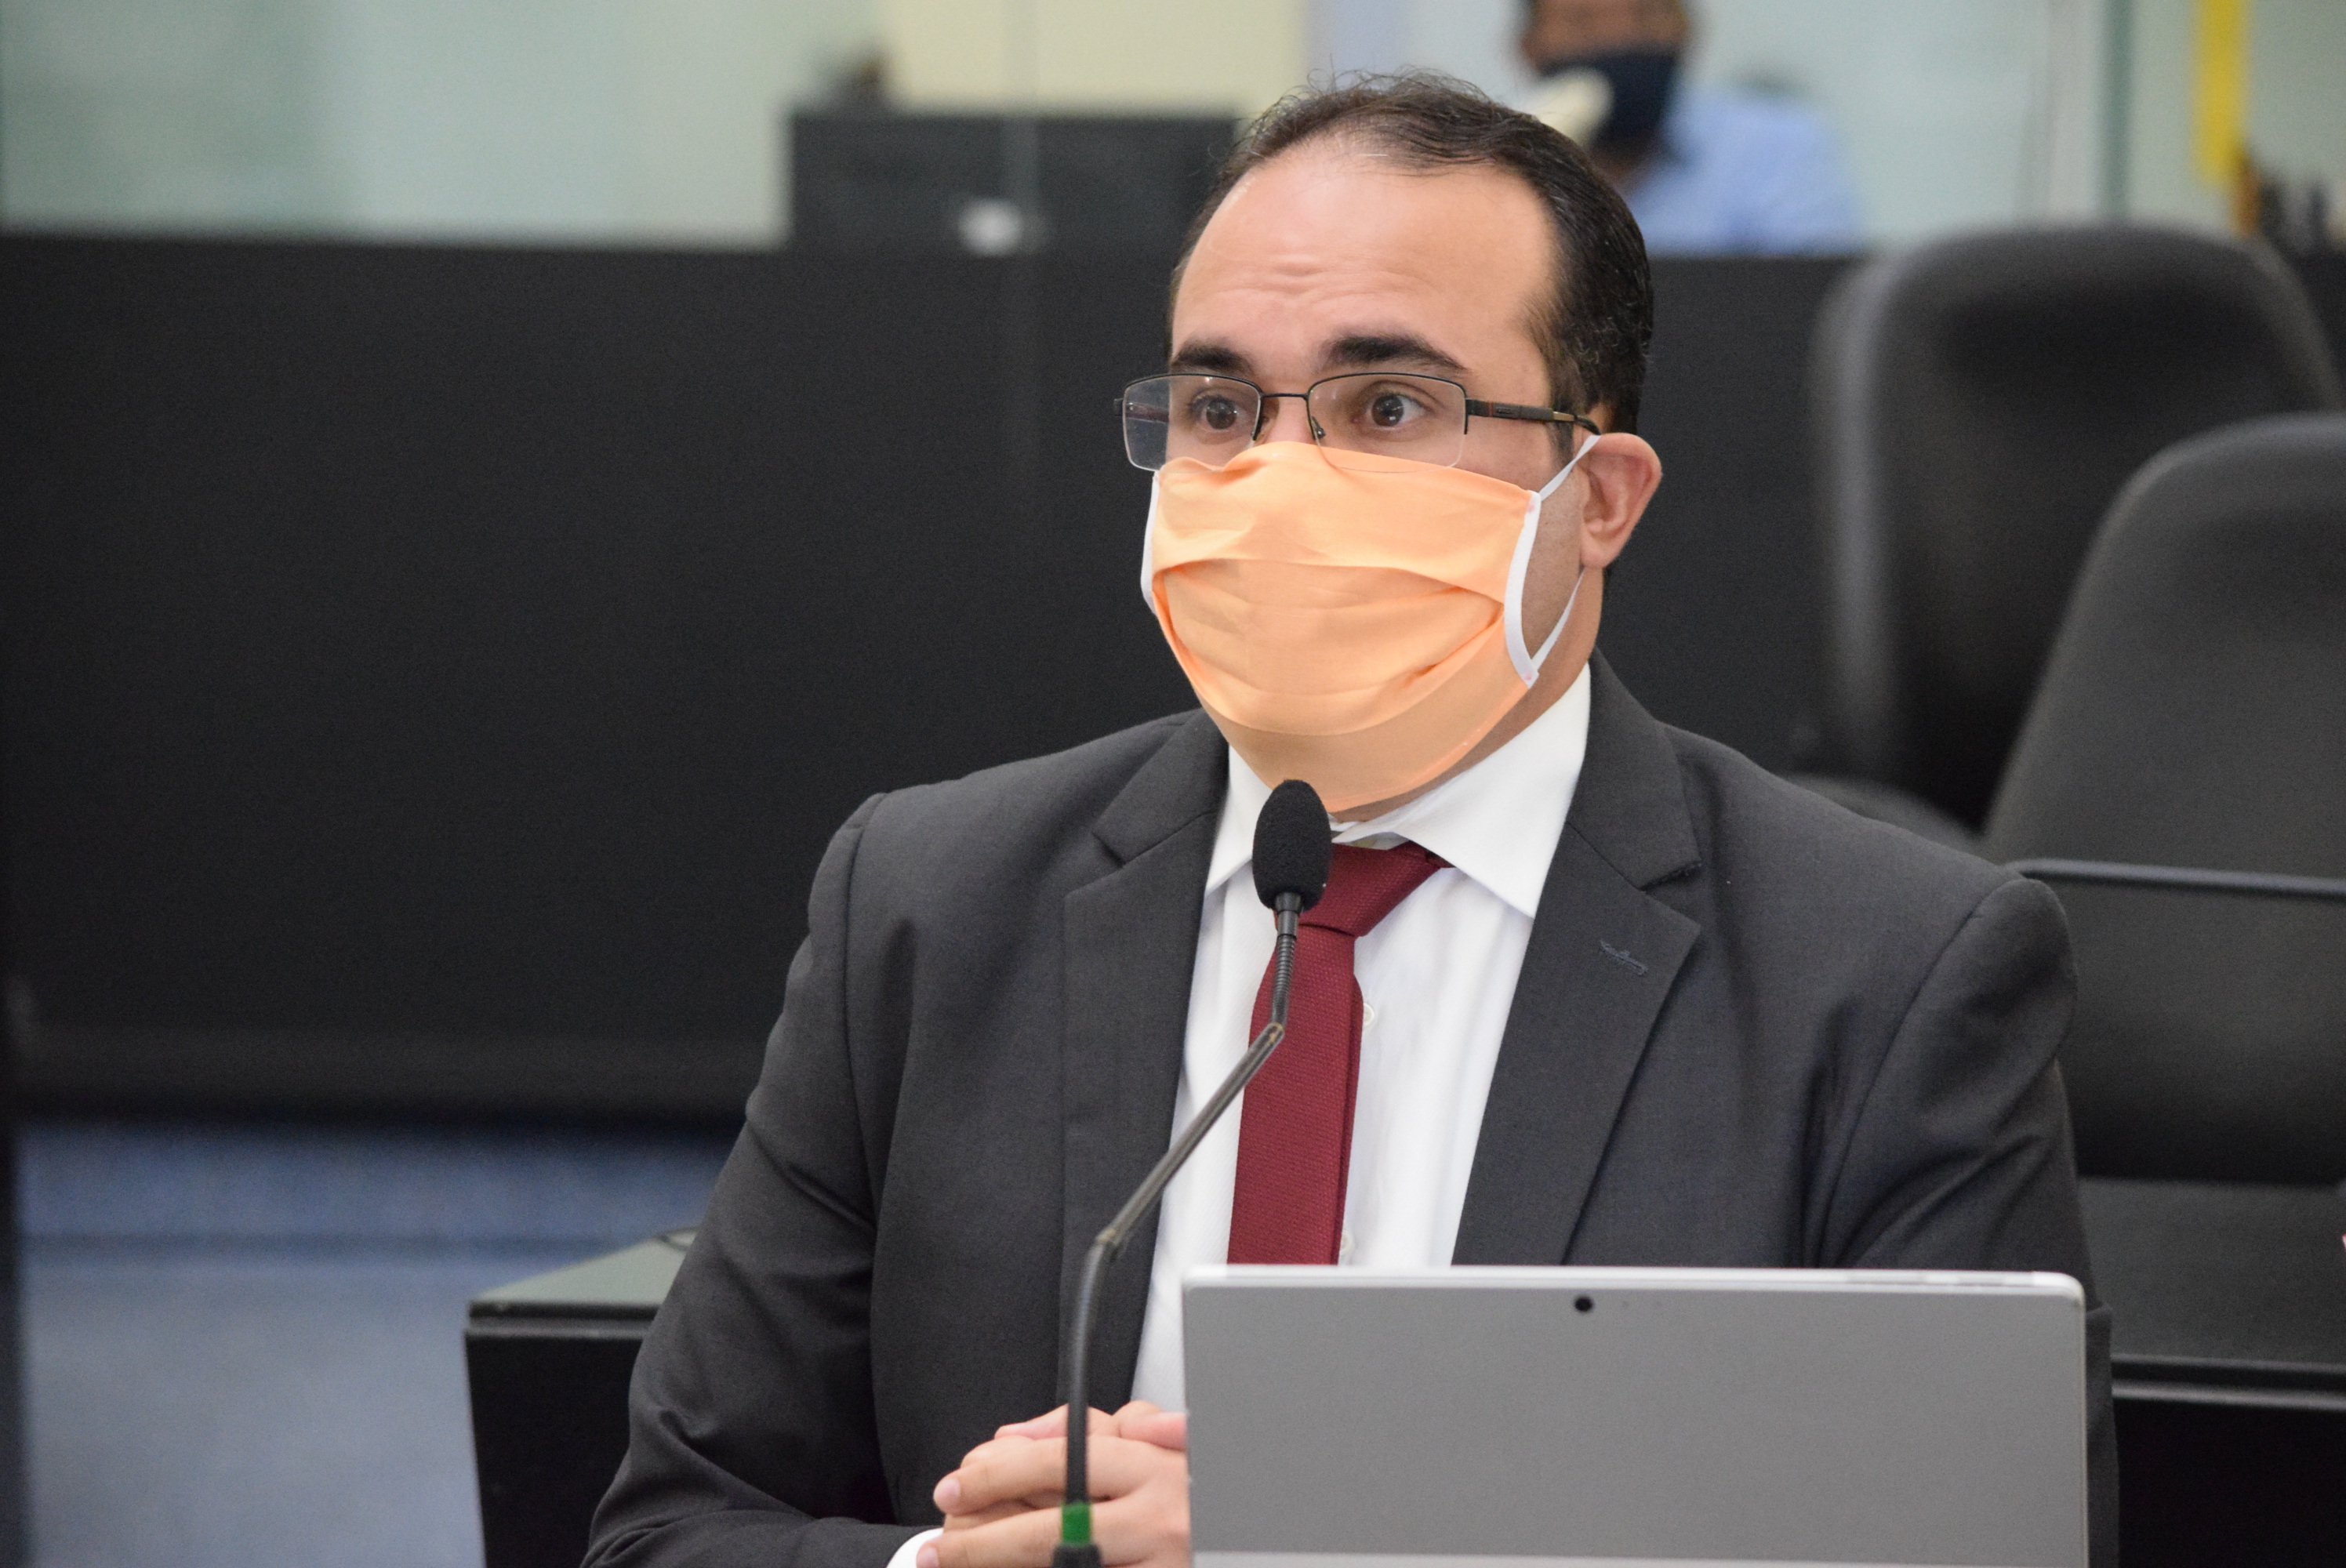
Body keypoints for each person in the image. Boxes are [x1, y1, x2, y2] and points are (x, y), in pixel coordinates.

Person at [585, 74, 2112, 1568]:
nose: (1280, 483)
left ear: (1597, 498)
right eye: (1218, 406)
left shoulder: (1889, 978)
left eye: (1387, 405)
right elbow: (671, 1524)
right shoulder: (927, 907)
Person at [1520, 0, 1861, 254]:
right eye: (1582, 22)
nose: (1619, 38)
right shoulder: (1506, 163)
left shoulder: (1779, 146)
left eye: (1646, 14)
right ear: (1528, 47)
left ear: (1686, 27)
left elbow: (1815, 298)